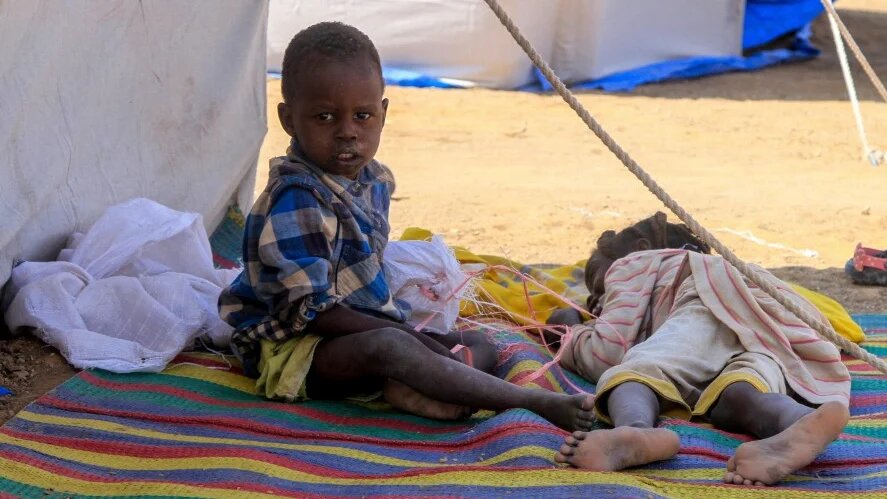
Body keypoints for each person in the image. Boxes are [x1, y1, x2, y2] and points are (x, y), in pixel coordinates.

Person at [218, 22, 593, 429]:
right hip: (294, 349)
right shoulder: (297, 199)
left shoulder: (373, 180)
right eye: (324, 117)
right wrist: (414, 338)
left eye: (363, 116)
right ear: (289, 119)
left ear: (383, 113)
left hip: (362, 329)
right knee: (393, 345)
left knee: (476, 342)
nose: (347, 132)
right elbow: (312, 313)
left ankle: (427, 387)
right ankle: (529, 401)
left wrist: (422, 338)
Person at [549, 214, 850, 485]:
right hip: (772, 327)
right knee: (741, 392)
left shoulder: (634, 264)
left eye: (596, 283)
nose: (594, 301)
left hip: (704, 306)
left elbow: (605, 352)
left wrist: (569, 328)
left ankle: (635, 428)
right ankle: (796, 422)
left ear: (641, 247)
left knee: (636, 371)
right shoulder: (738, 273)